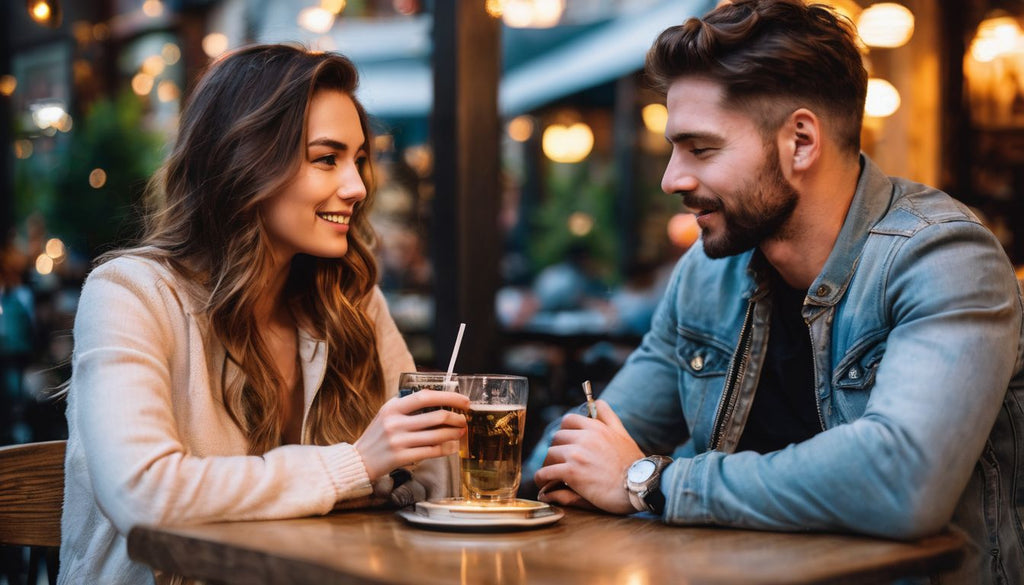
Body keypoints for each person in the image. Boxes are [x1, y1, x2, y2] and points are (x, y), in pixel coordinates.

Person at [531, 2, 1024, 583]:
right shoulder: (706, 274)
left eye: (701, 148)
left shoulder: (943, 258)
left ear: (801, 141)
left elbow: (902, 481)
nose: (672, 179)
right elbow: (577, 457)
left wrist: (654, 481)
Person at [58, 44, 469, 584]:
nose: (357, 187)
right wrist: (357, 465)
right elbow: (143, 494)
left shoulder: (351, 300)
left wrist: (423, 461)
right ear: (245, 160)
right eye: (327, 158)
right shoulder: (130, 294)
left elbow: (438, 487)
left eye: (359, 160)